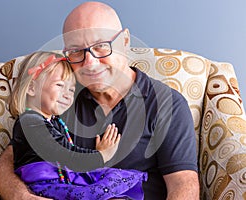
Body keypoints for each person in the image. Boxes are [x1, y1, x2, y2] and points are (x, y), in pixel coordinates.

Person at [0, 2, 200, 200]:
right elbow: (10, 159)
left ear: (125, 41)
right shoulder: (60, 95)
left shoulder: (166, 104)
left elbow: (183, 185)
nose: (89, 63)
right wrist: (20, 196)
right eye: (76, 51)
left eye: (101, 46)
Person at [8, 51, 147, 200]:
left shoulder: (54, 121)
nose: (67, 95)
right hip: (45, 186)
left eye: (71, 90)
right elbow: (63, 153)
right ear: (31, 88)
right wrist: (101, 155)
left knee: (113, 182)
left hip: (63, 180)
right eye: (60, 85)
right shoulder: (30, 121)